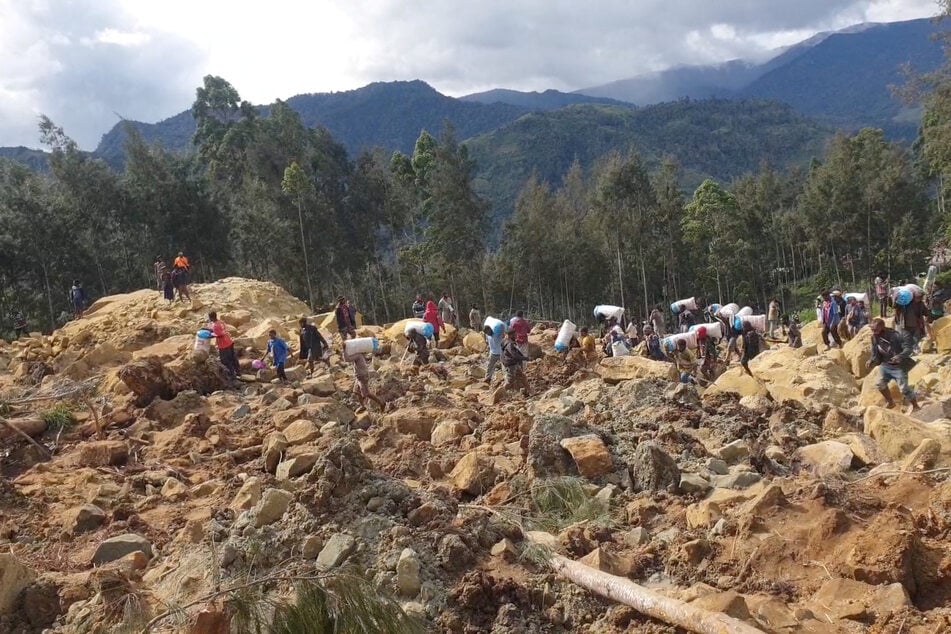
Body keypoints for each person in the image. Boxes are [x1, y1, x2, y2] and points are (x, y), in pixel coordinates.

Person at [867, 318, 919, 413]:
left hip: (898, 366)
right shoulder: (874, 337)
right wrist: (871, 360)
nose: (874, 332)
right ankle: (890, 402)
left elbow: (908, 349)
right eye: (872, 330)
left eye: (876, 330)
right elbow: (875, 352)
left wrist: (899, 356)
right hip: (885, 365)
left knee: (904, 389)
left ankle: (915, 406)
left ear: (882, 327)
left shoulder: (895, 335)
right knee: (880, 384)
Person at [492, 328, 531, 404]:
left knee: (522, 377)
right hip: (511, 364)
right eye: (514, 334)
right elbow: (515, 355)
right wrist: (525, 358)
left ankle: (530, 391)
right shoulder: (509, 344)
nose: (516, 336)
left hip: (512, 363)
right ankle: (499, 394)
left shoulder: (504, 341)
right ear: (510, 335)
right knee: (509, 382)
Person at [208, 311, 239, 378]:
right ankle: (238, 371)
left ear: (211, 317)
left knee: (225, 360)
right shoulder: (220, 322)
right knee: (233, 357)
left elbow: (219, 334)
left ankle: (232, 374)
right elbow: (220, 330)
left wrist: (210, 335)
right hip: (229, 341)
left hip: (223, 345)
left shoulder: (215, 325)